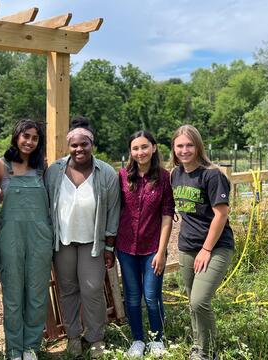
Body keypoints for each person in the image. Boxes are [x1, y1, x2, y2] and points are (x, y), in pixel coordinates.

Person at [44, 116, 121, 358]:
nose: (79, 149)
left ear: (92, 144)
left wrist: (109, 247)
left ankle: (96, 338)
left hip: (92, 243)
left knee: (93, 289)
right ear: (69, 146)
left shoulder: (106, 172)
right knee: (67, 290)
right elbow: (47, 204)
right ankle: (74, 337)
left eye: (84, 144)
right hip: (63, 242)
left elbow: (113, 212)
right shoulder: (55, 171)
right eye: (74, 145)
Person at [0, 120, 53, 360]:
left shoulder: (42, 167)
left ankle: (31, 348)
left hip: (39, 238)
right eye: (25, 136)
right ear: (16, 136)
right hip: (10, 238)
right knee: (13, 295)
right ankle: (14, 350)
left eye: (35, 138)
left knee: (37, 294)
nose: (29, 141)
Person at [170, 125, 234, 360]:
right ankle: (200, 345)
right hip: (188, 246)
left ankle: (206, 353)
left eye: (189, 145)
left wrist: (206, 249)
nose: (185, 150)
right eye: (180, 146)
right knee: (192, 301)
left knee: (200, 301)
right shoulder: (175, 175)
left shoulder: (212, 174)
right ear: (174, 149)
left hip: (216, 246)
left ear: (198, 146)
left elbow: (221, 214)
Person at [116, 131, 174, 358]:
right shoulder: (122, 176)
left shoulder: (164, 177)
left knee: (151, 296)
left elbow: (168, 214)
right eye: (135, 148)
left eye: (144, 147)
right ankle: (138, 339)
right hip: (126, 246)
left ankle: (157, 339)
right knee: (131, 296)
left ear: (154, 148)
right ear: (130, 152)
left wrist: (161, 252)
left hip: (153, 248)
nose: (140, 152)